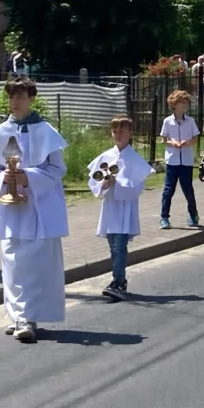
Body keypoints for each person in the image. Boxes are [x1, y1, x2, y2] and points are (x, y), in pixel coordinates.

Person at [0, 78, 69, 343]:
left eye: (19, 97)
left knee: (35, 264)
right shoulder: (2, 131)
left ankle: (28, 316)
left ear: (31, 98)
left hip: (39, 209)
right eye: (11, 97)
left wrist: (27, 177)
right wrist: (5, 180)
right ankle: (17, 314)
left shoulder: (45, 130)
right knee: (12, 262)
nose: (14, 102)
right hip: (12, 209)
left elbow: (57, 169)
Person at [87, 115, 153, 302]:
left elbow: (137, 186)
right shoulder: (106, 156)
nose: (118, 134)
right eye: (115, 131)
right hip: (110, 207)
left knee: (119, 246)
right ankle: (118, 280)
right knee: (112, 245)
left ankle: (118, 281)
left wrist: (119, 183)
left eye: (122, 131)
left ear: (130, 133)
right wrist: (104, 185)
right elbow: (94, 181)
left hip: (125, 208)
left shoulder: (134, 159)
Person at [159, 90, 199, 229]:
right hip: (172, 161)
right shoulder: (167, 121)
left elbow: (195, 138)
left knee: (188, 189)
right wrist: (173, 143)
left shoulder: (190, 121)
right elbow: (164, 139)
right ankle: (164, 217)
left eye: (186, 105)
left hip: (186, 161)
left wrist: (188, 143)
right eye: (182, 104)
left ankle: (193, 215)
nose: (185, 107)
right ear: (174, 106)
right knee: (169, 189)